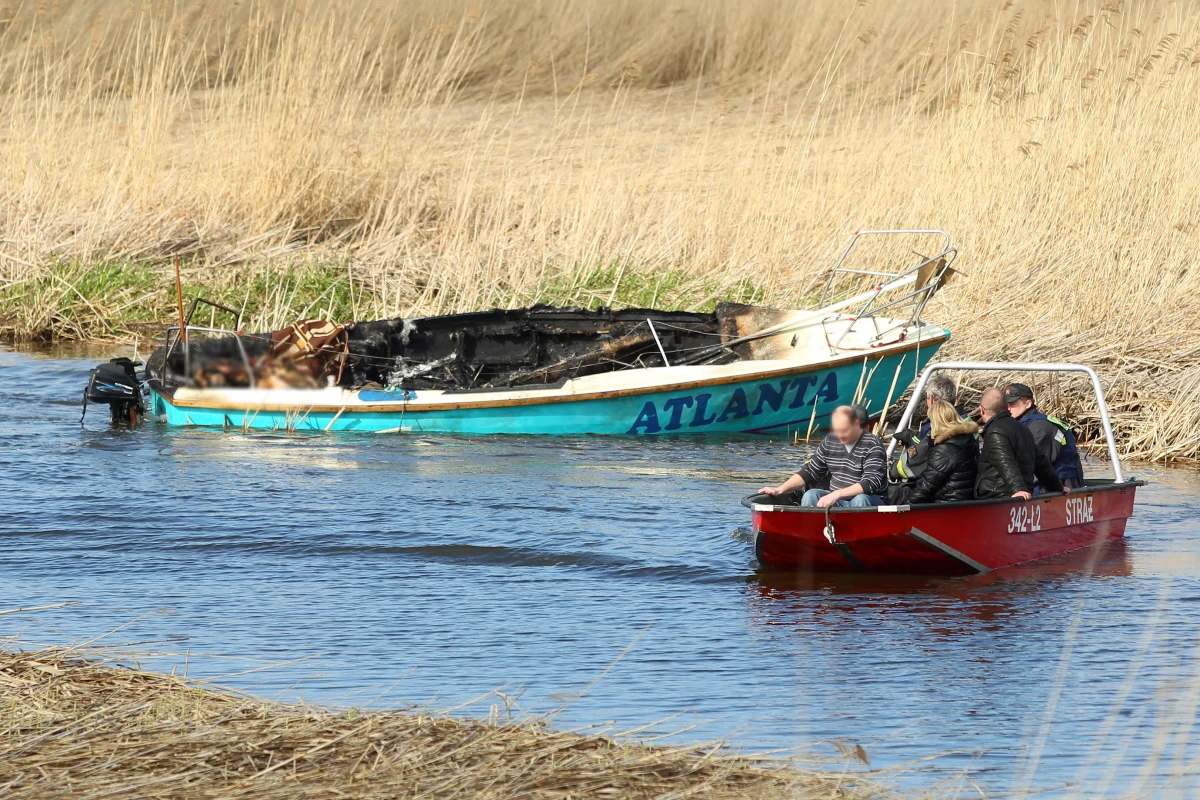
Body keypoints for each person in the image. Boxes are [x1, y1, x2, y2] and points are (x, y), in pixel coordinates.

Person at [758, 405, 887, 508]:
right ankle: (811, 530)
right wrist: (779, 490)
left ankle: (859, 532)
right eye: (837, 430)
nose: (839, 436)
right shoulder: (830, 441)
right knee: (811, 495)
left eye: (844, 430)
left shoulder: (872, 444)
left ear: (856, 425)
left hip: (869, 500)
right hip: (837, 499)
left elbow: (870, 483)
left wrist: (837, 494)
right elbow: (810, 471)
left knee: (861, 499)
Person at [975, 387, 1064, 500]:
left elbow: (1005, 462)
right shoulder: (1023, 428)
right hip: (1022, 493)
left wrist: (1018, 489)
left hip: (996, 495)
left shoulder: (995, 431)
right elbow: (1041, 463)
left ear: (981, 410)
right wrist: (1057, 487)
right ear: (1006, 407)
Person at [892, 400, 979, 504]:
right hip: (960, 498)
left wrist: (908, 506)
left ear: (936, 422)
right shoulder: (966, 440)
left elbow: (927, 486)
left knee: (894, 494)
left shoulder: (944, 450)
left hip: (945, 502)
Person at [1004, 383, 1084, 489]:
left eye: (1012, 404)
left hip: (1059, 486)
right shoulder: (1024, 423)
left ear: (1028, 404)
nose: (1008, 408)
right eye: (1005, 404)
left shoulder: (1040, 427)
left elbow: (1031, 465)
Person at [889, 373, 960, 485]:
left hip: (932, 488)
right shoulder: (966, 423)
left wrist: (891, 470)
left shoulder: (935, 428)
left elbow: (916, 460)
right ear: (955, 399)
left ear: (931, 399)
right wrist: (913, 437)